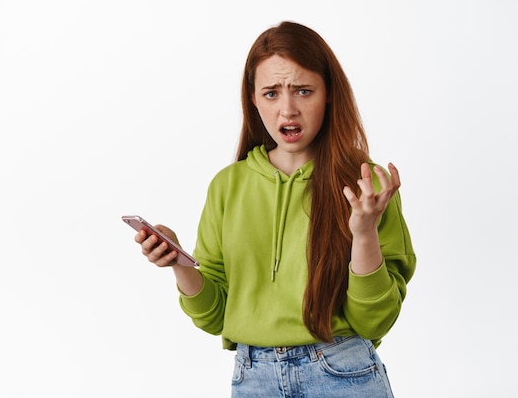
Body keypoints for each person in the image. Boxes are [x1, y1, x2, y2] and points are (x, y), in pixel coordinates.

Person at [134, 21, 416, 398]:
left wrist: (363, 231)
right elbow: (215, 315)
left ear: (329, 93)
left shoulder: (366, 184)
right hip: (254, 379)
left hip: (343, 373)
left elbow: (375, 319)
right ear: (252, 99)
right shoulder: (228, 186)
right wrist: (178, 262)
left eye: (303, 91)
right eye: (270, 93)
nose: (287, 110)